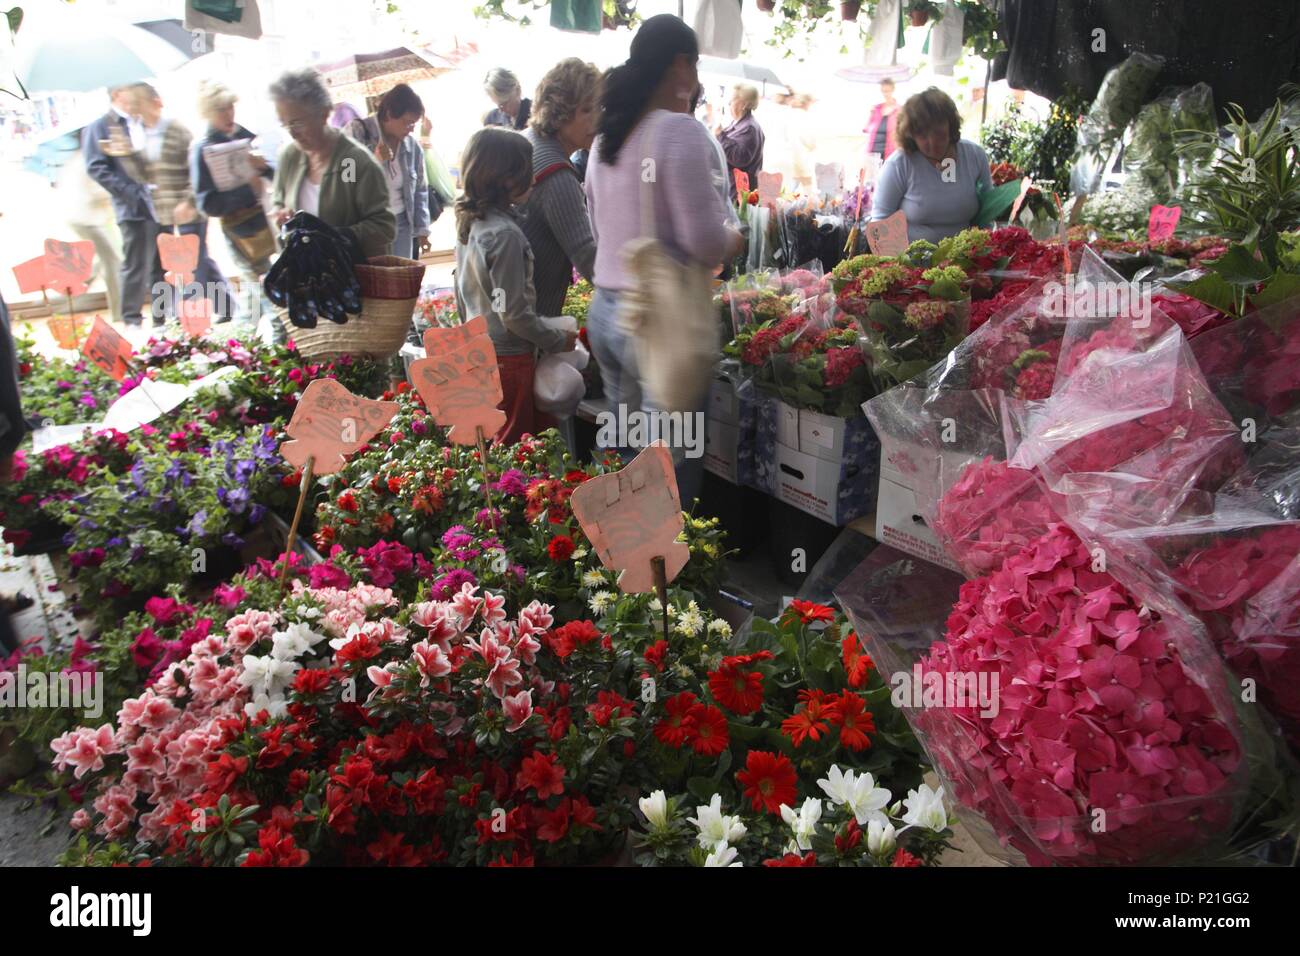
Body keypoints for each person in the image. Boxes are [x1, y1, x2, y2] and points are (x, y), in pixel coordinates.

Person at [585, 14, 744, 506]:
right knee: (668, 464)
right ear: (680, 64)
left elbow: (599, 226)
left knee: (624, 450)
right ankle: (669, 574)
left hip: (607, 311)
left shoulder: (604, 136)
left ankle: (615, 564)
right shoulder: (679, 132)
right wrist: (734, 241)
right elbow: (704, 244)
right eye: (693, 65)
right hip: (658, 322)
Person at [454, 127, 577, 445]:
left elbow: (461, 295)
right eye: (527, 171)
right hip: (509, 360)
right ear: (505, 178)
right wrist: (555, 340)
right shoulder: (505, 235)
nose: (534, 179)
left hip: (479, 351)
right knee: (516, 449)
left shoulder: (472, 223)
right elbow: (514, 314)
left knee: (495, 445)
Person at [125, 83, 235, 324]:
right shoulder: (138, 134)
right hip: (161, 210)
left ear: (155, 101)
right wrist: (127, 156)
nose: (134, 107)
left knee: (194, 262)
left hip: (190, 207)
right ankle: (226, 305)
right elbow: (143, 174)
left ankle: (192, 317)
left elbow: (197, 172)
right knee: (193, 261)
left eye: (138, 101)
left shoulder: (177, 131)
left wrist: (188, 201)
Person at [268, 68, 395, 260]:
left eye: (297, 123)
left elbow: (383, 226)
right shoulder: (290, 157)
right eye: (284, 124)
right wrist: (281, 215)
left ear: (323, 114)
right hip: (303, 276)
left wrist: (332, 237)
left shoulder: (349, 161)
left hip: (349, 278)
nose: (292, 133)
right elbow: (278, 201)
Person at [190, 79, 276, 325]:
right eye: (221, 109)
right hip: (240, 230)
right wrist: (248, 189)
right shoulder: (202, 148)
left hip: (264, 221)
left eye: (230, 107)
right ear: (208, 112)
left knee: (254, 299)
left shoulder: (243, 135)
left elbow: (274, 176)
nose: (228, 113)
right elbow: (207, 204)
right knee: (266, 292)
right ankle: (278, 348)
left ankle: (240, 342)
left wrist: (263, 169)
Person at [520, 57, 600, 316]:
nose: (597, 120)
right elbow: (590, 260)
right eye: (587, 110)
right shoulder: (557, 176)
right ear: (560, 112)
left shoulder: (525, 143)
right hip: (527, 326)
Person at [869, 87, 993, 244]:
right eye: (923, 136)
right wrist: (898, 265)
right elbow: (880, 222)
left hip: (967, 257)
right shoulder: (898, 164)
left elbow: (988, 212)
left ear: (951, 126)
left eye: (939, 133)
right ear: (910, 135)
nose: (933, 143)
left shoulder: (975, 155)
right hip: (912, 262)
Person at [81, 85, 158, 326]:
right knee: (136, 263)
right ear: (117, 94)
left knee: (161, 264)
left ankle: (162, 316)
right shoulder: (101, 126)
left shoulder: (142, 121)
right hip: (132, 206)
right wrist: (130, 192)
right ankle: (131, 318)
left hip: (160, 202)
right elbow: (96, 167)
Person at [345, 84, 432, 259]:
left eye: (413, 124)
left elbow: (420, 191)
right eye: (407, 123)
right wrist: (374, 161)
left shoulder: (412, 146)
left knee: (400, 280)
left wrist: (422, 230)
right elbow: (345, 181)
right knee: (373, 282)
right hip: (368, 226)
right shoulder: (356, 132)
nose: (411, 129)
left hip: (402, 223)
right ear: (390, 115)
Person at [714, 83, 765, 200]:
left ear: (744, 104)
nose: (728, 104)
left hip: (738, 194)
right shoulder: (739, 123)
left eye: (732, 100)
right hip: (731, 189)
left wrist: (720, 135)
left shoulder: (749, 128)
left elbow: (740, 158)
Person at [864, 77, 900, 161]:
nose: (885, 94)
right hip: (873, 151)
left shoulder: (899, 110)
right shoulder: (876, 108)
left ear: (893, 90)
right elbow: (866, 129)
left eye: (887, 91)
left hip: (890, 153)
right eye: (883, 91)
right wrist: (870, 115)